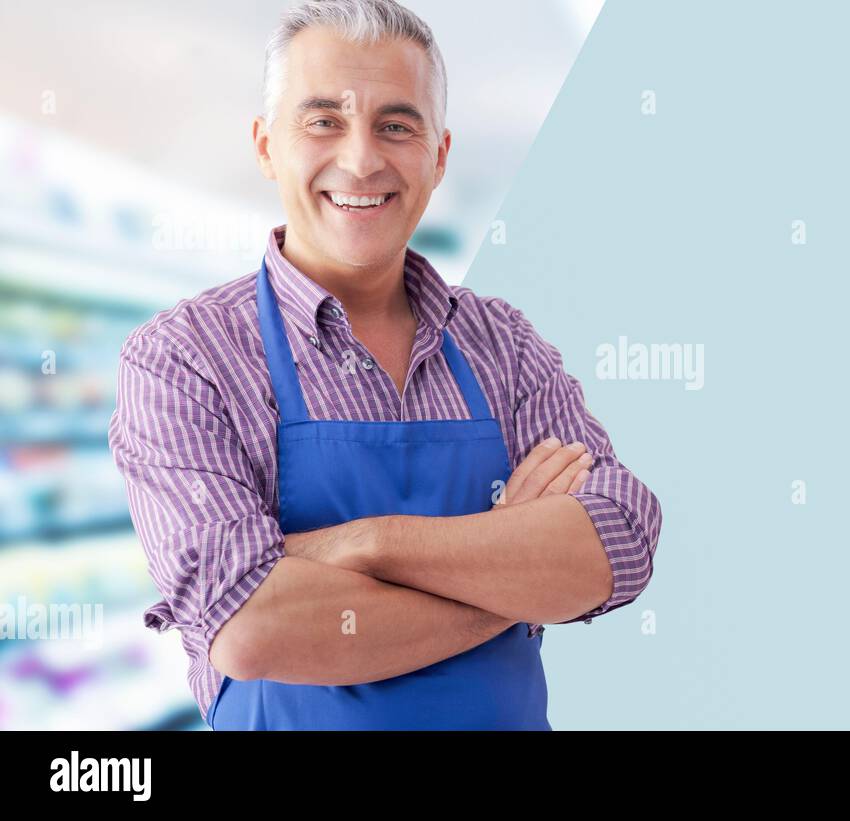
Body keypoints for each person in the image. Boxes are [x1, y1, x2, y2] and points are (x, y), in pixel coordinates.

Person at [106, 0, 661, 730]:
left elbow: (618, 539)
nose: (362, 158)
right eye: (324, 120)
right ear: (267, 145)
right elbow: (249, 624)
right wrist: (512, 570)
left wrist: (367, 543)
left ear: (439, 156)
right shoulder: (186, 360)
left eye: (396, 124)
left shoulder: (504, 344)